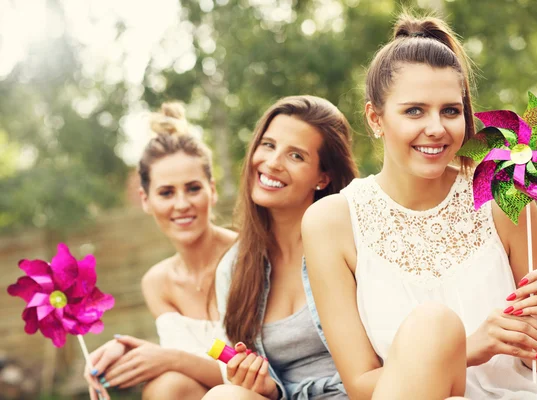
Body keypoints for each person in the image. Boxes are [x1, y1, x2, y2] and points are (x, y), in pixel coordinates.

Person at [302, 12, 537, 400]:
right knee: (433, 324)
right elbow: (361, 387)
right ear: (375, 118)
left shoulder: (504, 197)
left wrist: (530, 337)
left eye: (450, 110)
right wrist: (471, 347)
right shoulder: (331, 222)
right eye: (414, 111)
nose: (436, 128)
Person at [202, 95, 358, 400]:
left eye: (296, 156)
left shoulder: (353, 240)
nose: (272, 163)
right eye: (269, 145)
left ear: (322, 177)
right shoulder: (235, 268)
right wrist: (263, 386)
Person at [84, 102, 237, 400]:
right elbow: (200, 355)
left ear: (213, 190)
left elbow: (248, 366)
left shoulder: (247, 257)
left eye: (193, 188)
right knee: (165, 387)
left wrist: (170, 358)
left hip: (260, 391)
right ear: (146, 199)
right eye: (166, 192)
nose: (181, 204)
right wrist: (125, 349)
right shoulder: (157, 283)